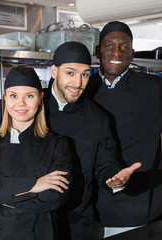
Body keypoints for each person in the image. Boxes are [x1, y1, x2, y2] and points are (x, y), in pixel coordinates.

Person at [86, 21, 162, 238]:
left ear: (132, 53)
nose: (116, 52)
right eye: (109, 46)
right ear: (97, 51)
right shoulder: (84, 90)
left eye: (124, 47)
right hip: (87, 204)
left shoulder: (154, 88)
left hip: (137, 204)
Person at [43, 41, 141, 240]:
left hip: (77, 221)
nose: (78, 83)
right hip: (34, 219)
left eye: (85, 74)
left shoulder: (98, 118)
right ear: (54, 71)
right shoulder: (33, 107)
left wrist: (115, 180)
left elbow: (106, 163)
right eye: (70, 73)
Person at [0, 66, 72, 240]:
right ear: (5, 97)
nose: (21, 104)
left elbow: (54, 197)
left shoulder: (57, 144)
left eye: (29, 96)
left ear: (40, 98)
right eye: (14, 95)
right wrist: (35, 184)